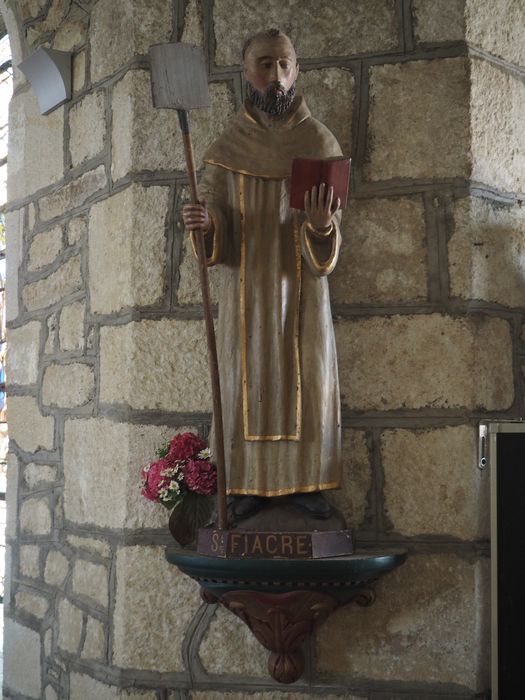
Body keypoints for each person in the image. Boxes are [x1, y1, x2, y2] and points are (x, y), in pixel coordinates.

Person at [182, 29, 344, 520]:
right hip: (246, 293)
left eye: (285, 64)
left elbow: (329, 250)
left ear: (297, 72)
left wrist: (321, 227)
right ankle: (247, 482)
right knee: (241, 382)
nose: (276, 77)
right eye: (265, 64)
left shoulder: (318, 142)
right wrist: (207, 225)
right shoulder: (227, 147)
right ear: (245, 72)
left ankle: (304, 482)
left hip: (302, 295)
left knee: (308, 381)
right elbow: (216, 237)